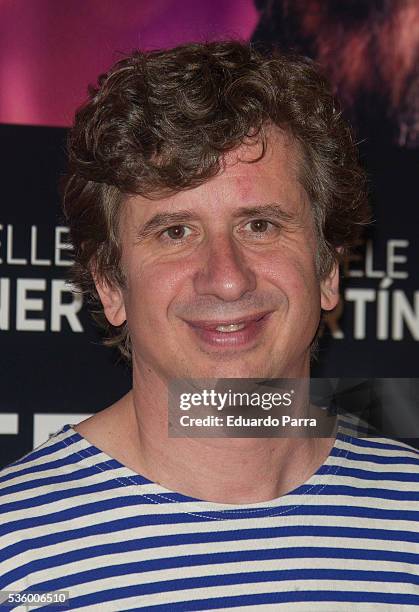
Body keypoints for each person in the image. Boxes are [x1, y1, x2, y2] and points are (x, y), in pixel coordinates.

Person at [0, 41, 418, 610]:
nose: (226, 279)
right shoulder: (15, 548)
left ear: (326, 268)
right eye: (175, 232)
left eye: (261, 225)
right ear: (110, 285)